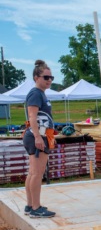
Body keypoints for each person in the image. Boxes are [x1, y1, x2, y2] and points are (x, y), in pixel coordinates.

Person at [22, 60, 57, 218]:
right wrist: (37, 137)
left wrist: (48, 136)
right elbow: (32, 116)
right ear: (36, 77)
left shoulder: (40, 94)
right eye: (46, 77)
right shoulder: (35, 93)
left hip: (42, 135)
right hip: (37, 136)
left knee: (32, 173)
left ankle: (30, 206)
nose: (49, 80)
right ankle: (36, 208)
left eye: (51, 77)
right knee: (37, 173)